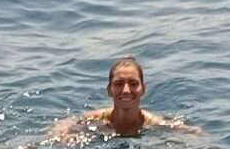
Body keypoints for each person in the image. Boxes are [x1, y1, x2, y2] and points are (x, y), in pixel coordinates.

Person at [45, 56, 194, 142]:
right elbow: (63, 125)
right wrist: (62, 134)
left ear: (143, 89)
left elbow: (191, 133)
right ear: (109, 90)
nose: (126, 90)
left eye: (133, 84)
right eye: (119, 84)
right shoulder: (96, 119)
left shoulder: (155, 124)